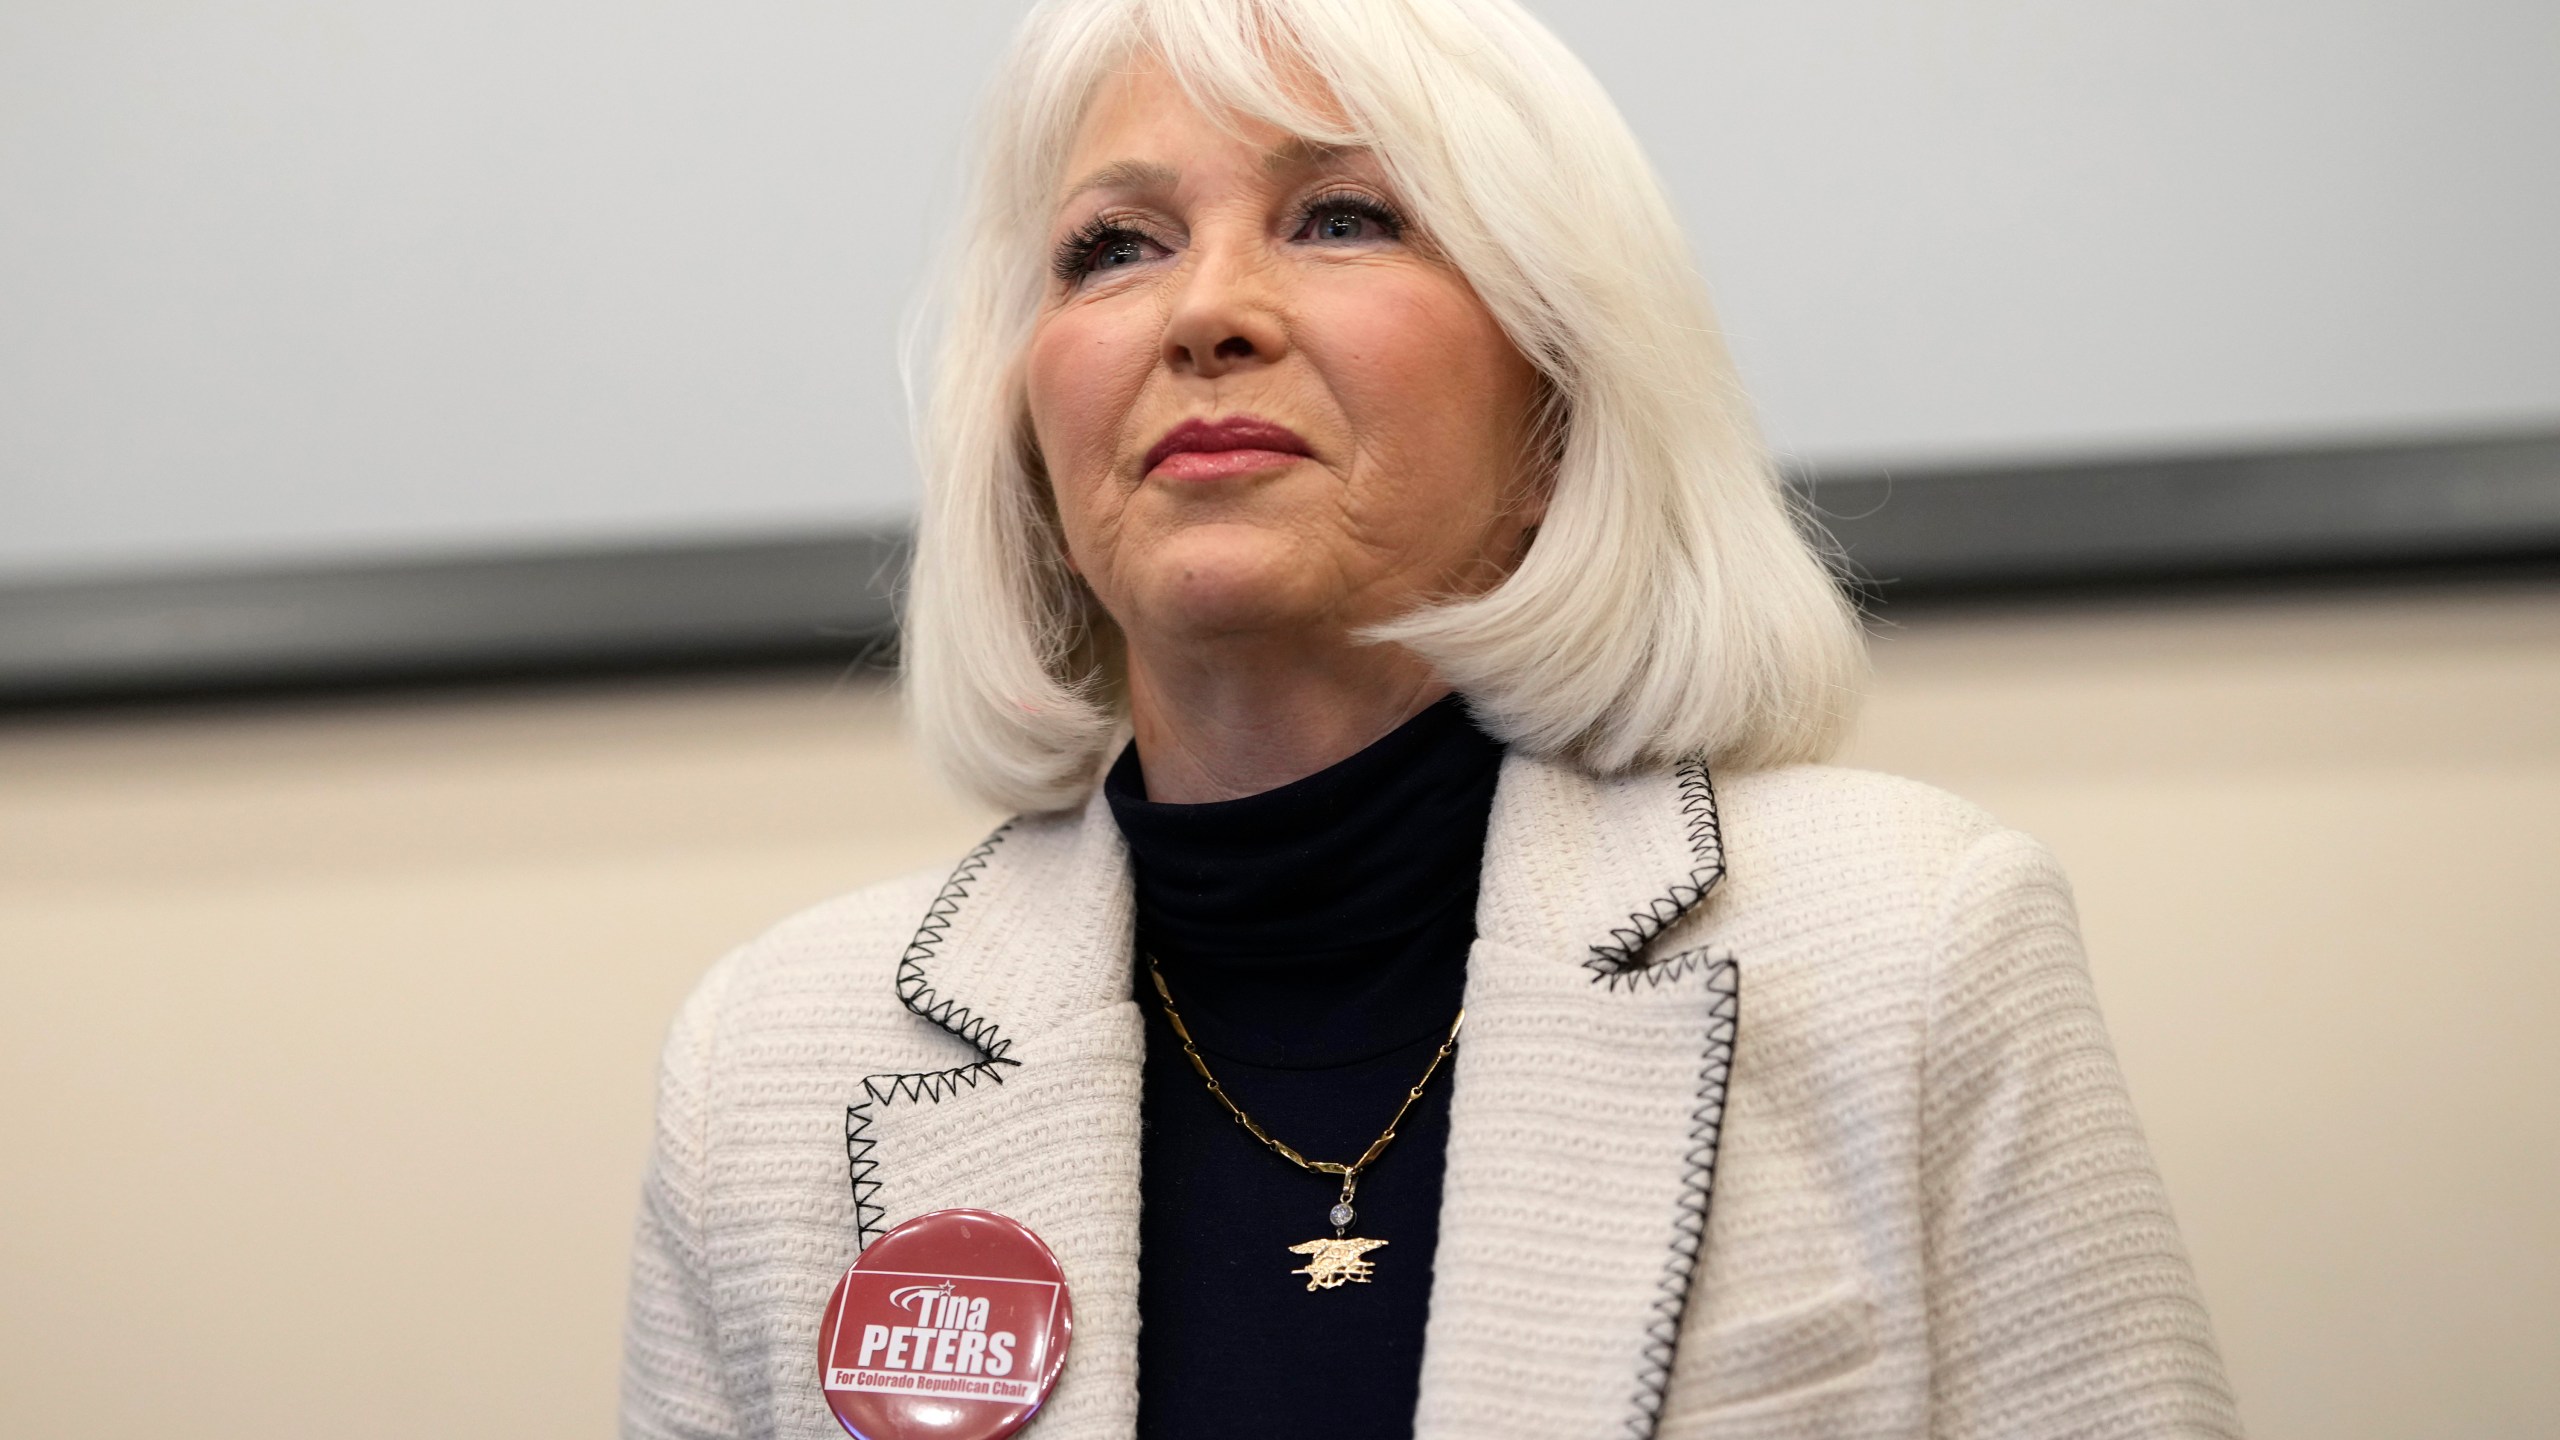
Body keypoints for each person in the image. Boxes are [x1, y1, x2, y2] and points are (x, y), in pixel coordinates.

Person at [622, 0, 2241, 1435]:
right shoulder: (769, 1072)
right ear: (1032, 436)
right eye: (1115, 246)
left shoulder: (1916, 949)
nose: (1206, 313)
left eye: (1340, 217)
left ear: (1555, 405)